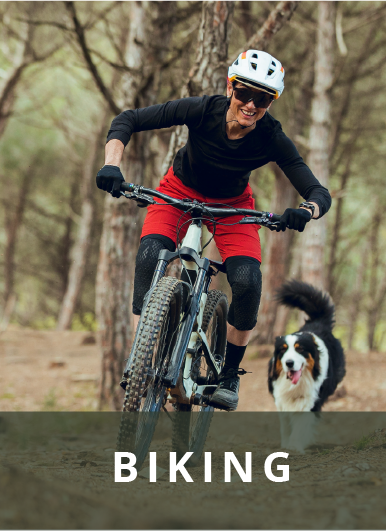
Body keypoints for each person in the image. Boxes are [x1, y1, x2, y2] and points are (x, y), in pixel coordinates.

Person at [96, 50, 331, 411]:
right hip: (177, 192)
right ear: (230, 87)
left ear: (271, 102)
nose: (251, 105)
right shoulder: (202, 109)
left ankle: (229, 374)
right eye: (244, 94)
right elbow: (127, 120)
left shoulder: (270, 136)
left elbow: (317, 193)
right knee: (148, 256)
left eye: (263, 99)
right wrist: (113, 165)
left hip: (233, 207)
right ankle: (142, 355)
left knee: (248, 281)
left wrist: (305, 210)